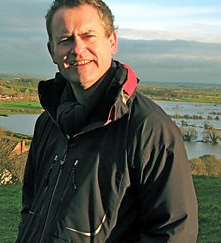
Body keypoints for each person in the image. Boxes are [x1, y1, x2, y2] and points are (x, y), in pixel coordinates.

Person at [16, 0, 198, 242]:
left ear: (112, 41)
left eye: (88, 36)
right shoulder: (47, 122)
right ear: (52, 52)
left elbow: (174, 232)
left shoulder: (150, 129)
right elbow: (31, 203)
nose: (78, 49)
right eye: (65, 40)